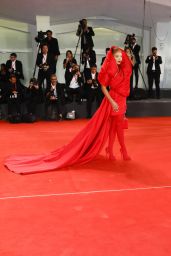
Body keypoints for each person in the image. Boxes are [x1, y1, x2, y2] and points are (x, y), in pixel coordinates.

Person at [4, 46, 133, 174]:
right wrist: (112, 101)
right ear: (111, 58)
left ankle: (115, 149)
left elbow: (127, 79)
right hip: (112, 101)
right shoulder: (110, 71)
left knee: (116, 126)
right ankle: (119, 150)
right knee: (114, 126)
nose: (120, 59)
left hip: (121, 101)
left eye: (121, 56)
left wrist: (123, 103)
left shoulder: (125, 70)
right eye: (117, 56)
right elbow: (104, 88)